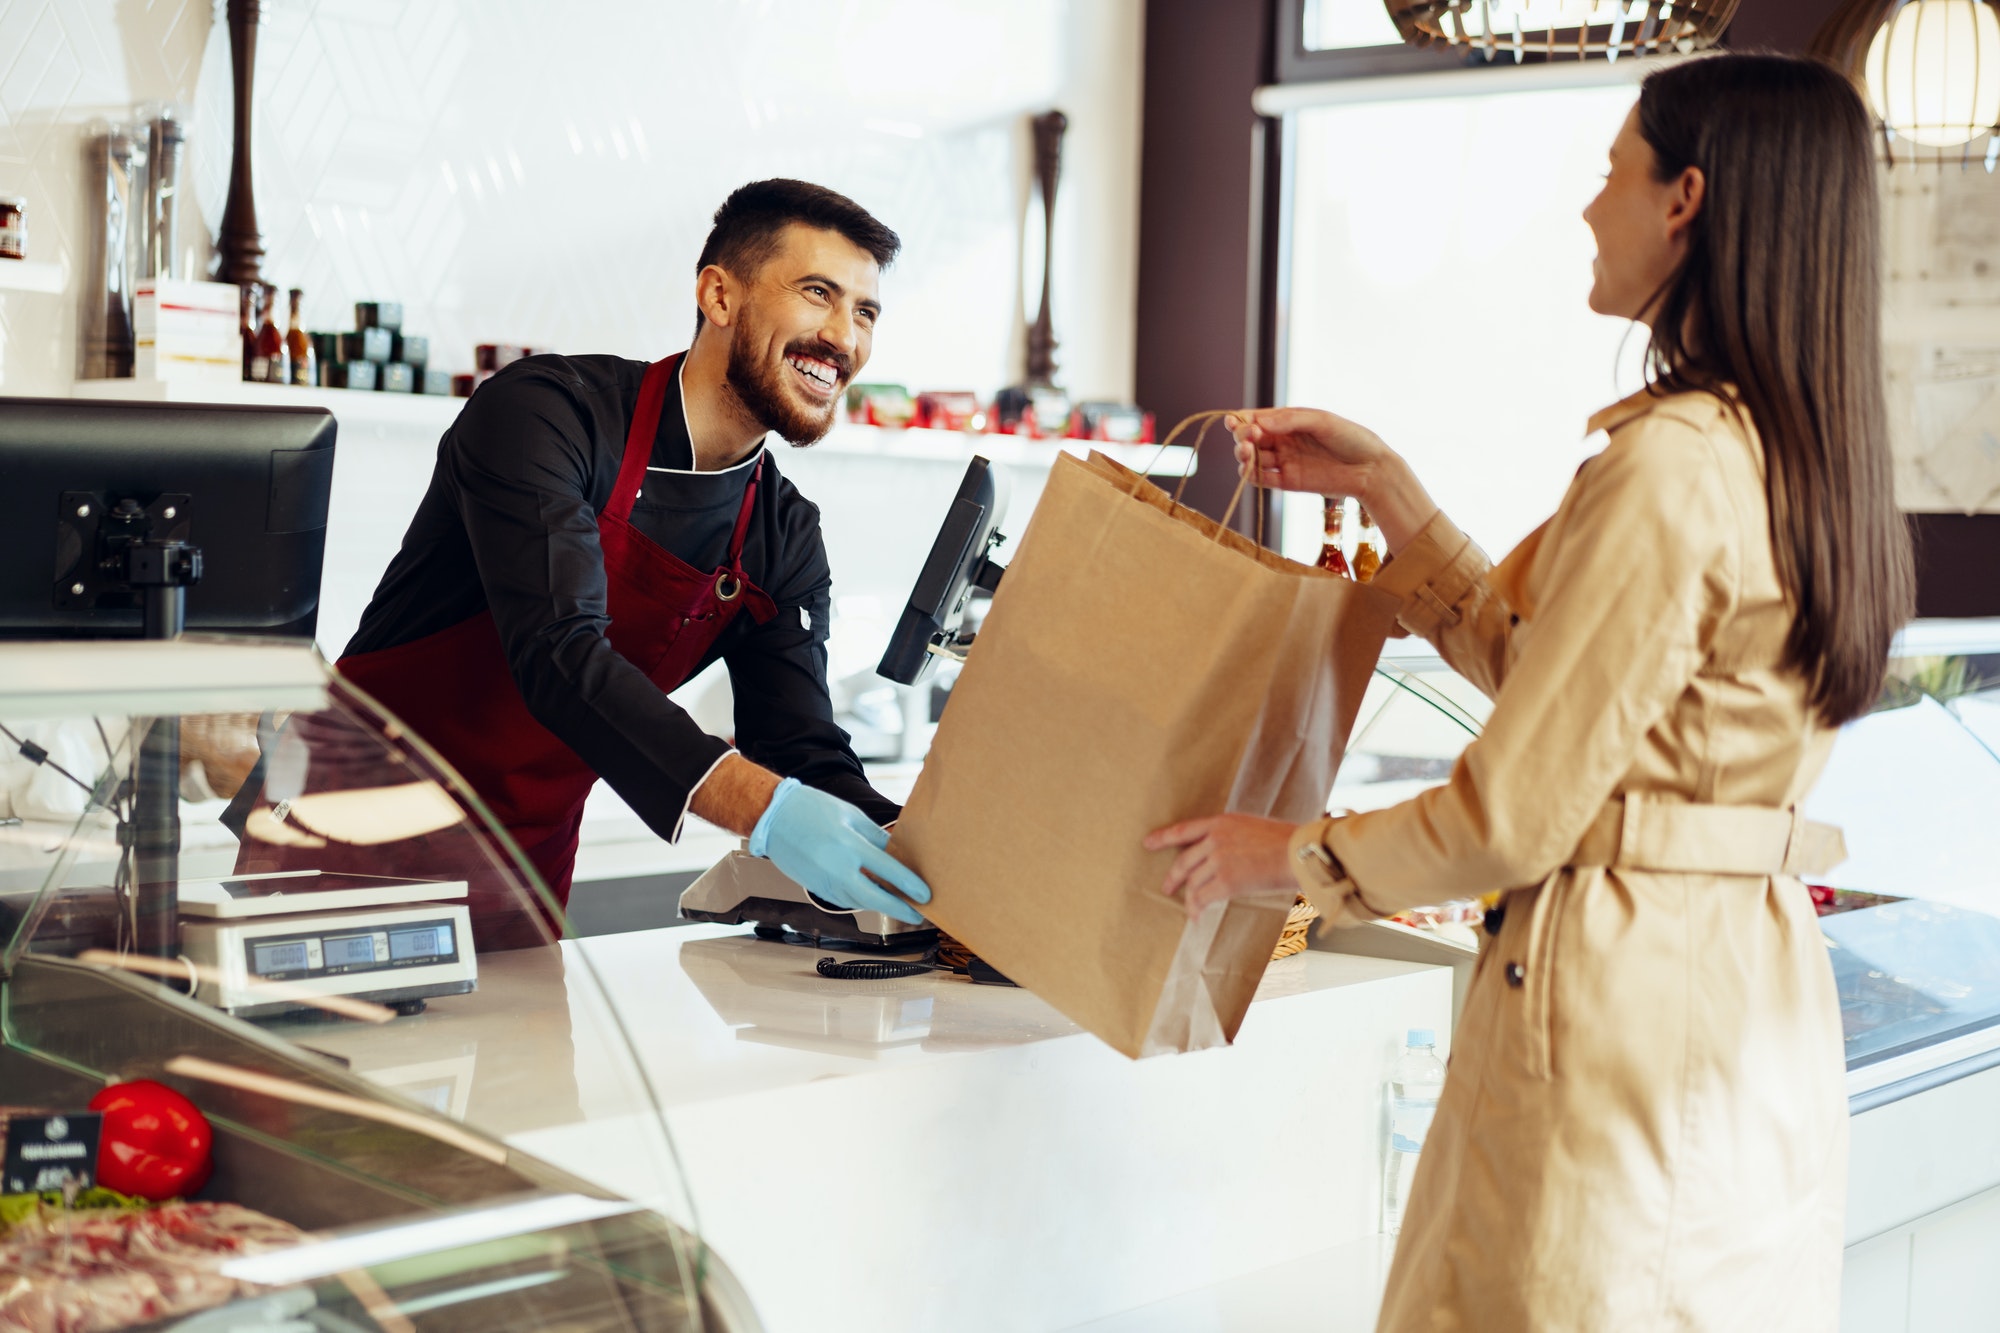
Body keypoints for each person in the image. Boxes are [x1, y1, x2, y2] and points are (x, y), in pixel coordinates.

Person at [1145, 55, 1910, 1330]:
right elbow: (1572, 685)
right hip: (1741, 1003)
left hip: (1620, 1013)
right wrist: (1391, 493)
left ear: (1685, 201)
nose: (1584, 208)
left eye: (1611, 173)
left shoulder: (1667, 468)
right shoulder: (1794, 454)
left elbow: (1510, 810)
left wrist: (1279, 851)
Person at [319, 179, 930, 947]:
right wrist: (765, 812)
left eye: (865, 312)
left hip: (519, 874)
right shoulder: (546, 416)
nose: (844, 337)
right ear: (718, 295)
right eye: (818, 294)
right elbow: (559, 654)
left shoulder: (782, 534)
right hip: (336, 844)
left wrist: (932, 847)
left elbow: (799, 747)